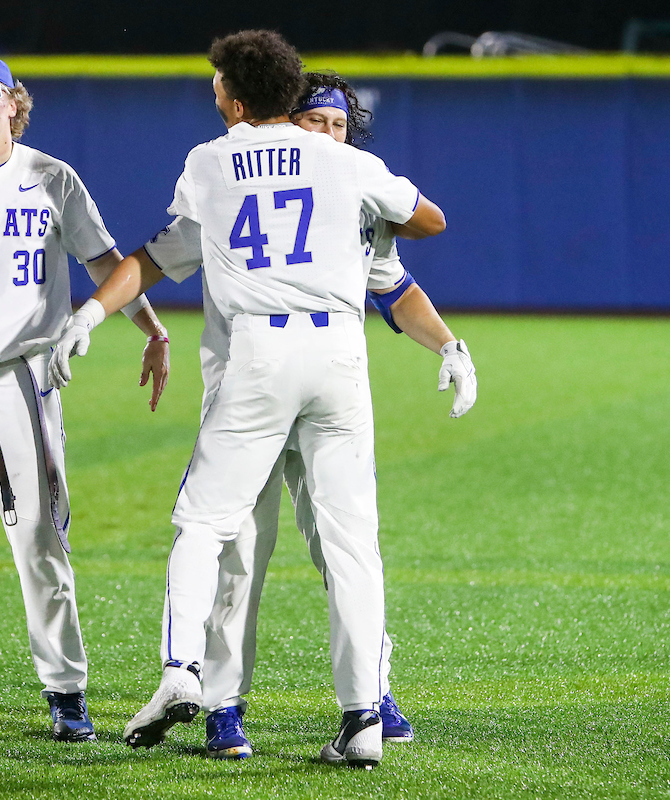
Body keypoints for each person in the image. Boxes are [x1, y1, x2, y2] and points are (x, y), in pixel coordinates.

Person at [49, 30, 472, 768]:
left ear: (237, 100)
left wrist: (88, 315)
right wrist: (364, 191)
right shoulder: (350, 169)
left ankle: (186, 675)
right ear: (295, 102)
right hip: (337, 357)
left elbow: (156, 253)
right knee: (348, 548)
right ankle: (356, 715)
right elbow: (430, 220)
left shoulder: (213, 163)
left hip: (255, 359)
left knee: (208, 528)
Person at [0, 52, 170, 743]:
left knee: (41, 537)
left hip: (24, 375)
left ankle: (66, 690)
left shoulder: (52, 177)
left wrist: (153, 328)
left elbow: (103, 261)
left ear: (14, 103)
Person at [196, 71, 473, 760]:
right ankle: (223, 705)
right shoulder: (248, 176)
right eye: (313, 123)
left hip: (319, 381)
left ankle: (368, 696)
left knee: (345, 546)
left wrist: (448, 343)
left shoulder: (349, 201)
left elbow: (393, 283)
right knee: (239, 553)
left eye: (337, 126)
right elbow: (432, 218)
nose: (326, 135)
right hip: (246, 380)